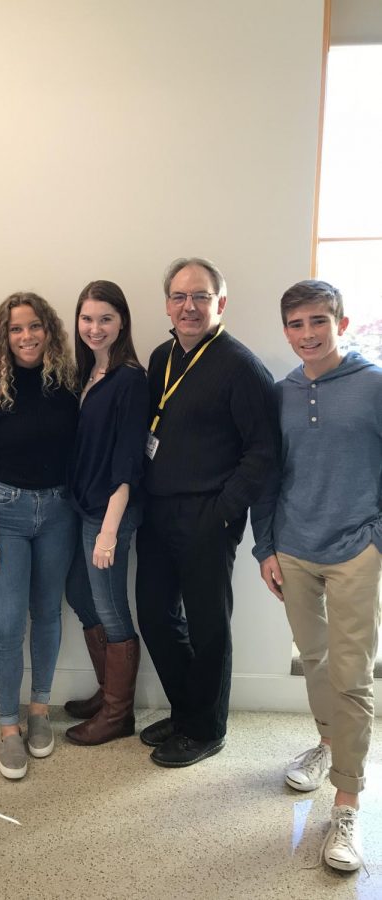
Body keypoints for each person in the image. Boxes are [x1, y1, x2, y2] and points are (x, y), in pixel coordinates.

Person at [251, 280, 381, 873]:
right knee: (316, 658)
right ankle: (327, 746)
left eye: (318, 322)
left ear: (341, 322)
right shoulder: (279, 395)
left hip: (357, 549)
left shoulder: (374, 386)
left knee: (352, 674)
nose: (308, 334)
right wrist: (266, 548)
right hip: (295, 550)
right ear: (286, 331)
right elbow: (267, 476)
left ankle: (347, 804)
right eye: (297, 324)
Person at [135, 257, 277, 767]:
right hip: (157, 512)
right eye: (179, 296)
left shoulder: (240, 366)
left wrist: (222, 512)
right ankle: (187, 710)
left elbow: (263, 451)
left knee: (208, 625)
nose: (189, 306)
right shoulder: (160, 357)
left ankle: (207, 728)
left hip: (207, 515)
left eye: (200, 296)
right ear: (167, 305)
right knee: (154, 615)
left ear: (221, 303)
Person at [0, 292, 78, 779]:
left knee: (48, 615)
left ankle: (39, 711)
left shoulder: (69, 386)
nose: (27, 336)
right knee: (9, 623)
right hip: (5, 514)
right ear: (3, 336)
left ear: (48, 330)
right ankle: (8, 725)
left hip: (59, 513)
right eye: (16, 329)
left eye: (34, 327)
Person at [63, 280, 148, 745]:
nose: (94, 328)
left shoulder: (130, 380)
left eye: (105, 319)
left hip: (109, 513)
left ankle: (119, 715)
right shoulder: (84, 373)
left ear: (122, 323)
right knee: (80, 593)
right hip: (81, 505)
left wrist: (110, 532)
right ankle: (106, 691)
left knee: (112, 609)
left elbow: (128, 462)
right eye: (87, 318)